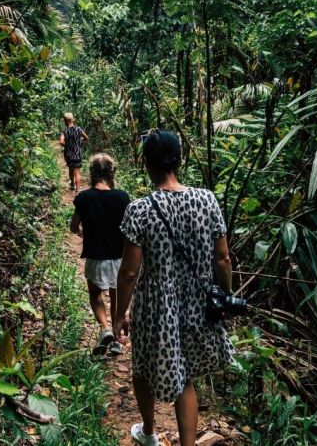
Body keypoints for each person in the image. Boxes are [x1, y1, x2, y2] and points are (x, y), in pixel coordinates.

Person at [113, 130, 233, 446]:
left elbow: (128, 272)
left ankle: (149, 433)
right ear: (179, 160)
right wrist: (224, 296)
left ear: (146, 163)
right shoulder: (207, 199)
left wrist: (119, 314)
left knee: (142, 368)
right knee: (187, 376)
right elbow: (222, 258)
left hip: (155, 305)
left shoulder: (139, 209)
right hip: (197, 301)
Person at [70, 153, 131, 356]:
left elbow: (73, 226)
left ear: (92, 173)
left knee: (96, 295)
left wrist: (83, 232)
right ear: (112, 172)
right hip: (118, 257)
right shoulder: (122, 197)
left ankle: (104, 327)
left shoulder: (83, 198)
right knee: (116, 297)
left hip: (95, 256)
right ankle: (115, 338)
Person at [59, 112, 89, 191]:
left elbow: (61, 142)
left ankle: (72, 184)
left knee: (70, 169)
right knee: (77, 172)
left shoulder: (64, 130)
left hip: (68, 154)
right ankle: (77, 191)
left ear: (65, 121)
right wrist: (79, 141)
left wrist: (67, 145)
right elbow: (86, 138)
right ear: (73, 120)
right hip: (77, 153)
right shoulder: (78, 129)